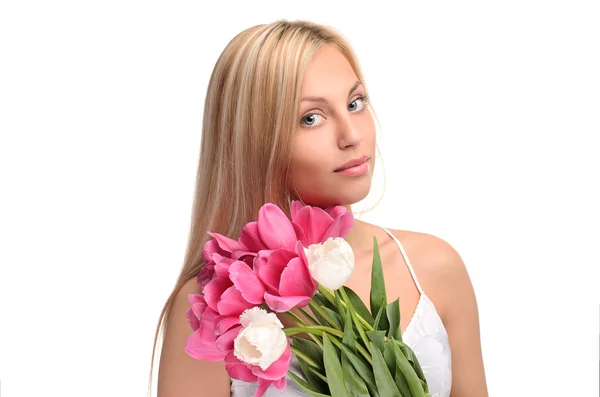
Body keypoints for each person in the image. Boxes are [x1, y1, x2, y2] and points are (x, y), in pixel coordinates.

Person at [149, 19, 488, 397]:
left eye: (355, 103)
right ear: (255, 142)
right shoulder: (210, 307)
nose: (353, 135)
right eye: (311, 118)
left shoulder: (434, 269)